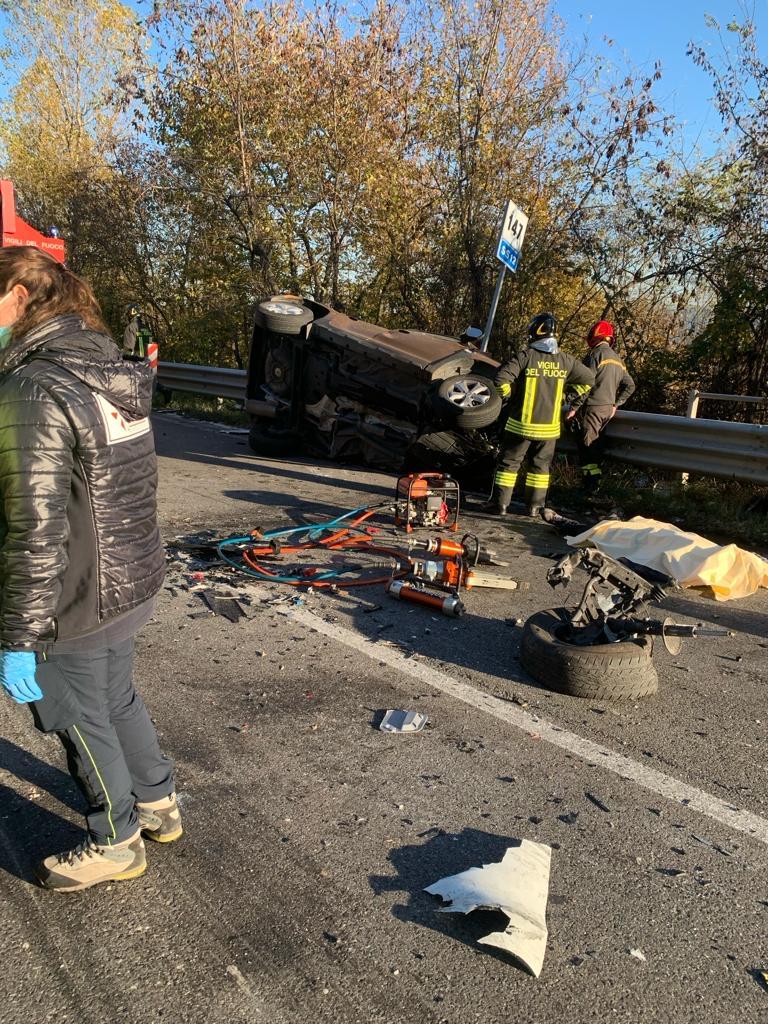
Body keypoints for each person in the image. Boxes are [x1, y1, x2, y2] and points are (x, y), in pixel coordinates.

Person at [0, 247, 181, 892]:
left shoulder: (32, 385)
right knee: (116, 696)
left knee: (76, 713)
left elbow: (34, 527)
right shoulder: (103, 363)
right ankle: (158, 803)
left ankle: (115, 839)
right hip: (129, 576)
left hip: (73, 591)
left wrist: (19, 637)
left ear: (19, 298)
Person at [487, 312, 595, 516]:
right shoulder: (565, 361)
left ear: (535, 332)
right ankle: (535, 508)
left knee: (509, 465)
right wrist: (567, 397)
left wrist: (509, 398)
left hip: (520, 425)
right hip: (548, 429)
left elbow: (501, 379)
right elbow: (589, 380)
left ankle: (500, 505)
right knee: (540, 468)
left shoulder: (526, 356)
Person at [576, 320, 636, 493]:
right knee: (596, 447)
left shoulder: (594, 355)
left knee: (588, 448)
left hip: (592, 407)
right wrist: (616, 404)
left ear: (594, 337)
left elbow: (585, 383)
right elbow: (630, 385)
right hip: (607, 410)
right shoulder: (618, 359)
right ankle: (595, 486)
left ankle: (589, 487)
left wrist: (574, 406)